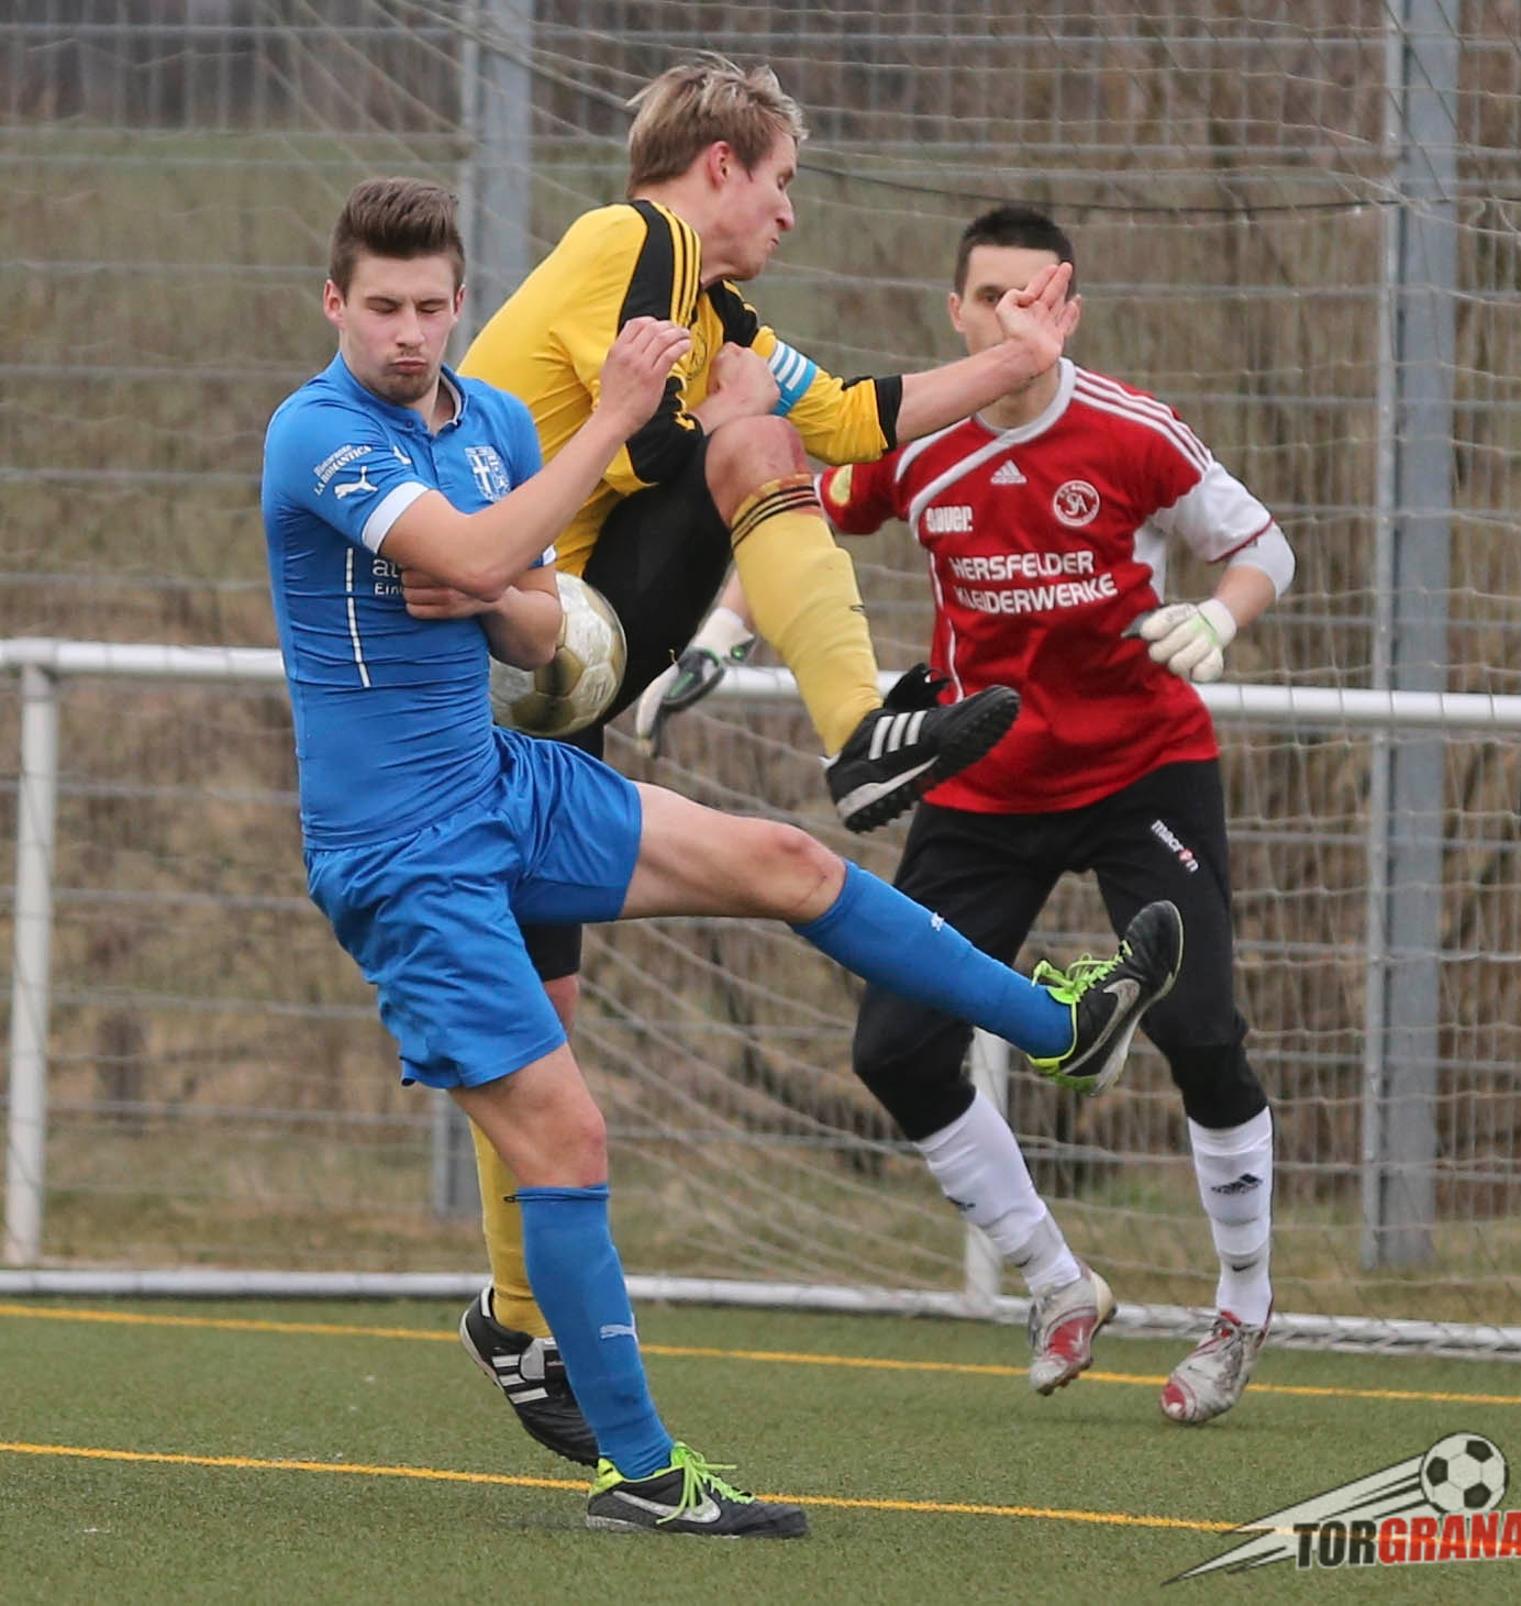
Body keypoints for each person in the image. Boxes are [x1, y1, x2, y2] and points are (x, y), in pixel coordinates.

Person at [261, 176, 1184, 1536]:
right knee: (569, 1134)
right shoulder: (317, 432)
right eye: (380, 307)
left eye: (429, 307)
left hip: (506, 782)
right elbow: (475, 547)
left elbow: (535, 620)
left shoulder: (493, 422)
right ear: (334, 304)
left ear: (459, 305)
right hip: (402, 850)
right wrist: (600, 435)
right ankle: (640, 1472)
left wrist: (503, 590)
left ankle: (1058, 1025)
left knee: (784, 861)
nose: (406, 333)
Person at [452, 55, 1077, 1436]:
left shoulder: (707, 302)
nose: (790, 211)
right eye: (781, 180)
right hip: (505, 645)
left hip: (556, 678)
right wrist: (739, 409)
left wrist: (1014, 361)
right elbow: (662, 447)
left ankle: (511, 1319)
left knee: (539, 1030)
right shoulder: (635, 240)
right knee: (745, 443)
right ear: (719, 167)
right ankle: (860, 732)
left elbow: (841, 419)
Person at [653, 206, 1294, 1424]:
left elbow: (1263, 547)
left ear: (1069, 312)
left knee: (1198, 1025)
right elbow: (786, 511)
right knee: (895, 1048)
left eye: (1035, 296)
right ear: (957, 313)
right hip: (983, 783)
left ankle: (1241, 1306)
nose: (1013, 317)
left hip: (1142, 771)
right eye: (991, 296)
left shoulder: (1133, 431)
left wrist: (1222, 614)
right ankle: (1056, 1279)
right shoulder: (919, 440)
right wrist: (722, 630)